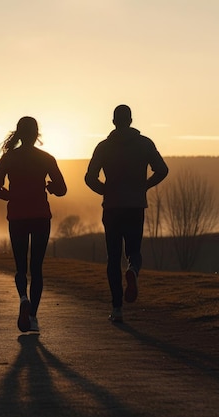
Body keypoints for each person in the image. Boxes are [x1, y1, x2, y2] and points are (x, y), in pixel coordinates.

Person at [85, 105, 168, 323]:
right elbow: (163, 170)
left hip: (112, 207)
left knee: (113, 257)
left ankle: (117, 308)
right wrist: (145, 186)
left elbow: (89, 177)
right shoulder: (145, 144)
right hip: (135, 205)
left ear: (113, 121)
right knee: (134, 251)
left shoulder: (103, 147)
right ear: (131, 120)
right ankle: (132, 269)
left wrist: (105, 190)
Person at [0, 116, 67, 332]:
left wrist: (11, 196)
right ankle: (32, 316)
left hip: (17, 216)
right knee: (37, 268)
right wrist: (49, 188)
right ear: (36, 135)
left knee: (21, 266)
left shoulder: (8, 158)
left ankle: (23, 298)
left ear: (19, 134)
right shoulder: (46, 158)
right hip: (41, 215)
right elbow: (62, 189)